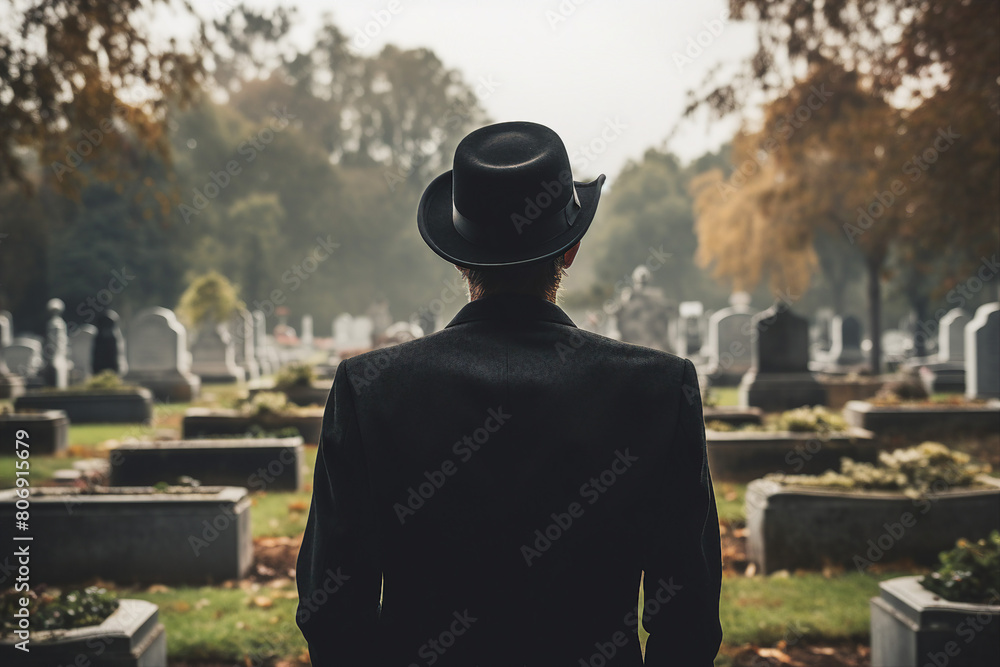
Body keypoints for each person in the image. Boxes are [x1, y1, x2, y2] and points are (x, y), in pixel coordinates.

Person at [296, 121, 722, 666]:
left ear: (458, 256)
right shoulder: (658, 390)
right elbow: (687, 616)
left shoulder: (372, 391)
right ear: (568, 253)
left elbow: (333, 610)